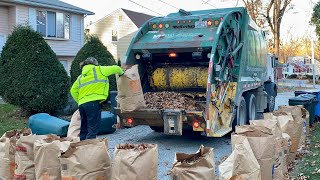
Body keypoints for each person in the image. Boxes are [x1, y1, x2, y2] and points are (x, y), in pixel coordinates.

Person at [70, 57, 124, 140]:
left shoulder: (80, 77)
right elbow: (116, 68)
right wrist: (122, 73)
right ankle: (90, 148)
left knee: (84, 128)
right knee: (93, 127)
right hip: (93, 103)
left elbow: (73, 90)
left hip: (82, 105)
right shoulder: (99, 69)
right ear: (95, 63)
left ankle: (82, 148)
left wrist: (80, 101)